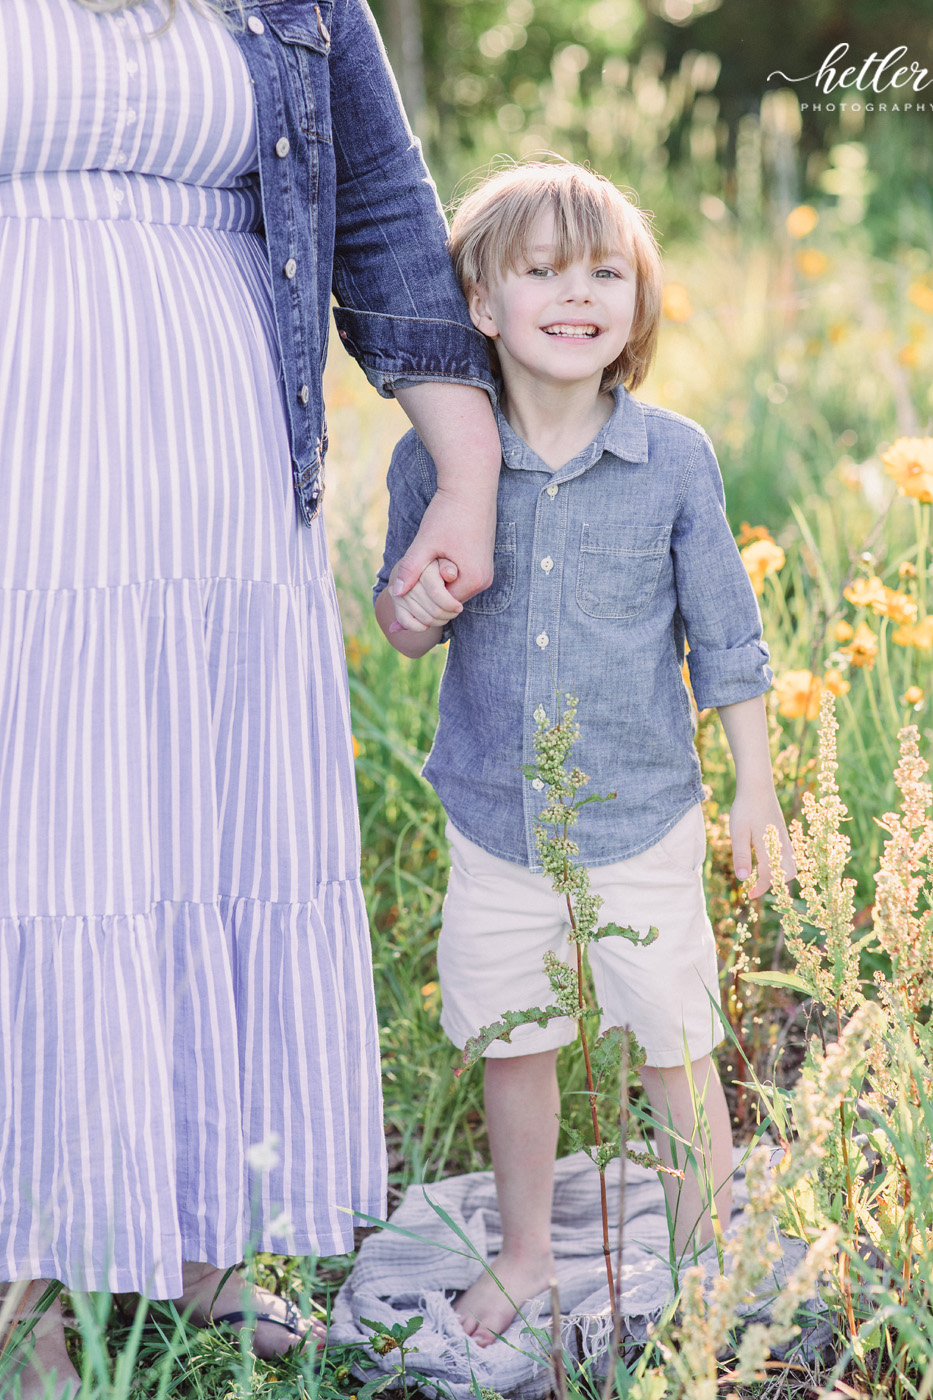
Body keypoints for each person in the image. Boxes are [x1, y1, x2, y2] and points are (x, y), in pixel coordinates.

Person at [0, 0, 499, 1392]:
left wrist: (464, 475)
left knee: (205, 831)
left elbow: (386, 211)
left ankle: (198, 1255)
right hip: (21, 463)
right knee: (41, 839)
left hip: (214, 466)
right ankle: (24, 1285)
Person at [373, 160, 798, 1346]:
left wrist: (753, 786)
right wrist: (414, 611)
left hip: (641, 811)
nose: (579, 292)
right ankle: (522, 1256)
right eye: (543, 269)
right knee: (517, 1040)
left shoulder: (674, 459)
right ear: (480, 301)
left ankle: (710, 1255)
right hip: (494, 814)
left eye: (606, 270)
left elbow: (726, 637)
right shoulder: (436, 458)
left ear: (638, 301)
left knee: (673, 1038)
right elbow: (399, 617)